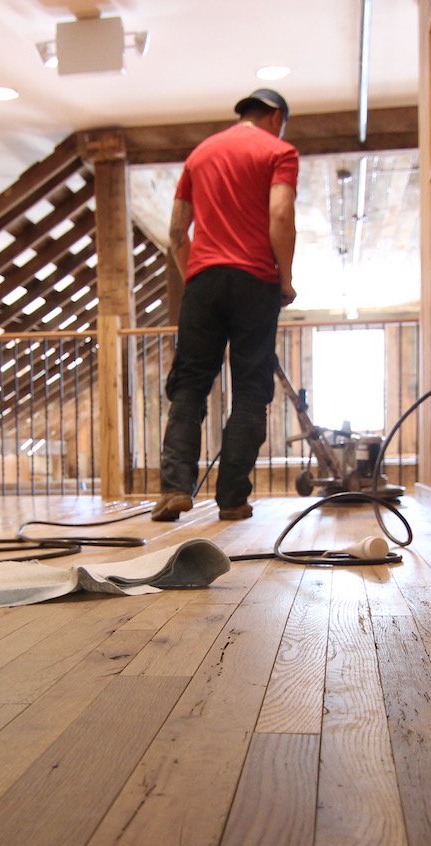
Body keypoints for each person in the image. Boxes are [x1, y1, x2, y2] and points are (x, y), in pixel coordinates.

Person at [150, 88, 298, 522]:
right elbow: (281, 215)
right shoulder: (279, 150)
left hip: (203, 282)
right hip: (255, 280)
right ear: (275, 117)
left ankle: (174, 489)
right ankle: (232, 497)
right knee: (252, 388)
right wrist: (285, 279)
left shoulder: (199, 155)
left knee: (190, 383)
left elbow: (177, 232)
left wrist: (193, 273)